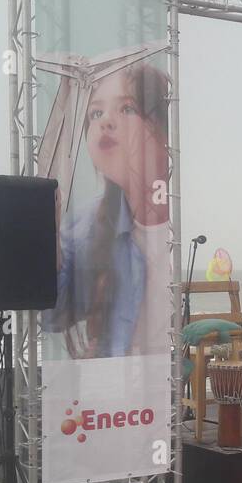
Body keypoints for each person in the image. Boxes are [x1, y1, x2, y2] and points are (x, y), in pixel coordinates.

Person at [45, 60, 171, 359]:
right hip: (114, 394)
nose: (105, 122)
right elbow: (52, 316)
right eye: (96, 113)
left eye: (126, 108)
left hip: (166, 387)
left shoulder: (183, 225)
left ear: (165, 131)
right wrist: (47, 228)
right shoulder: (83, 226)